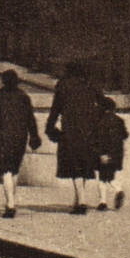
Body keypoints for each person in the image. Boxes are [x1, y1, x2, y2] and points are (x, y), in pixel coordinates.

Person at [0, 69, 41, 218]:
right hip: (20, 138)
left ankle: (10, 205)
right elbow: (30, 119)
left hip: (2, 138)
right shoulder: (24, 96)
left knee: (6, 170)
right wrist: (34, 136)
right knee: (14, 170)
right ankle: (12, 200)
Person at [45, 61, 102, 214]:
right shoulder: (90, 84)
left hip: (70, 130)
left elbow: (55, 108)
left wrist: (50, 127)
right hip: (89, 131)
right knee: (83, 164)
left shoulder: (63, 85)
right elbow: (103, 103)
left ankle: (81, 201)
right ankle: (77, 200)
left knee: (74, 165)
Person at [93, 95, 127, 212]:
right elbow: (125, 135)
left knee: (102, 178)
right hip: (117, 154)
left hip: (104, 154)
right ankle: (118, 191)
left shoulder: (100, 122)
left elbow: (99, 139)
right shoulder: (120, 120)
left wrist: (102, 154)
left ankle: (103, 201)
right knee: (110, 176)